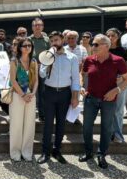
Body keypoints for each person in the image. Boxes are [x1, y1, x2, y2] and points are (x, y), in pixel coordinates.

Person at [79, 34, 127, 169]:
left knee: (106, 128)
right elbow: (82, 74)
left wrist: (116, 91)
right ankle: (88, 151)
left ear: (106, 46)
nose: (93, 46)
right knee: (87, 126)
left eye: (96, 44)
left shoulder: (118, 60)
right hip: (91, 99)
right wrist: (81, 86)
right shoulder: (89, 59)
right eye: (93, 44)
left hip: (109, 100)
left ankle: (101, 154)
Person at [37, 31, 80, 164]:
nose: (54, 43)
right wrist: (49, 61)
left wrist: (75, 97)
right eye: (52, 41)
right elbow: (42, 74)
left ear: (62, 40)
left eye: (56, 40)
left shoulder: (72, 57)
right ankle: (45, 152)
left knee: (61, 124)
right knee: (48, 124)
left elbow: (75, 79)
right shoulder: (47, 56)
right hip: (49, 92)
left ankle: (57, 150)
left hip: (64, 93)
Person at [9, 38, 38, 162]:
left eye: (29, 45)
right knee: (16, 124)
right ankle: (15, 151)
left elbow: (36, 80)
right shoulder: (14, 61)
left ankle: (27, 151)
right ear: (20, 48)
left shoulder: (34, 62)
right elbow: (13, 80)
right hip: (17, 95)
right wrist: (22, 95)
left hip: (31, 96)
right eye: (24, 45)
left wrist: (32, 93)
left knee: (29, 125)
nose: (27, 47)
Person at [106, 28, 127, 143]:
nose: (110, 38)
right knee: (107, 109)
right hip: (106, 83)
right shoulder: (103, 50)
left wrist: (122, 77)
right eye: (108, 35)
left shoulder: (125, 50)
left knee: (118, 110)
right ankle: (109, 133)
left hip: (121, 82)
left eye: (113, 35)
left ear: (118, 37)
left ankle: (118, 135)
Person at [29, 18, 50, 122]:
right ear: (32, 27)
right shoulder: (28, 40)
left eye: (39, 25)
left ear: (42, 27)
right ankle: (30, 114)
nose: (37, 27)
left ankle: (42, 114)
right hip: (31, 69)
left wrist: (44, 63)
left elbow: (50, 55)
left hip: (43, 69)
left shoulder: (47, 40)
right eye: (35, 25)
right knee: (31, 92)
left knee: (42, 93)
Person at [0, 36, 23, 115]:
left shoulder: (22, 58)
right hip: (12, 85)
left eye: (15, 44)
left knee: (2, 100)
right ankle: (13, 118)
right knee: (1, 100)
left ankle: (14, 119)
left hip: (19, 88)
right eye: (13, 44)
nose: (13, 46)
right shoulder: (13, 56)